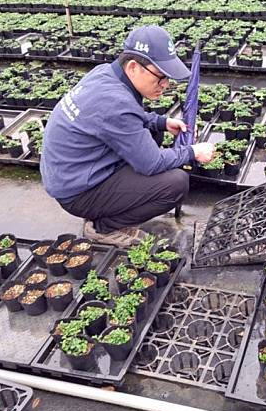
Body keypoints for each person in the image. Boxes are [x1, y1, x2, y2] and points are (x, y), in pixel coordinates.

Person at [41, 25, 215, 247]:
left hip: (72, 173)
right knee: (176, 184)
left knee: (154, 133)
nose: (165, 85)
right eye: (160, 77)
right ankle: (103, 227)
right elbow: (151, 164)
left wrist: (162, 122)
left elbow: (126, 116)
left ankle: (109, 205)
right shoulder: (116, 102)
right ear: (133, 67)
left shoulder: (106, 73)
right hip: (78, 191)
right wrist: (193, 151)